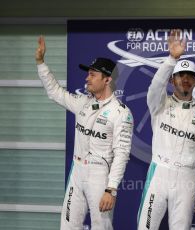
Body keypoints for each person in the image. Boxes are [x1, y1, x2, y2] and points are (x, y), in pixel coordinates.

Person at [35, 36, 134, 230]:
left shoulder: (121, 113)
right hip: (77, 171)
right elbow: (55, 92)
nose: (86, 78)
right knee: (68, 227)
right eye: (88, 74)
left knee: (101, 227)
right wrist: (40, 63)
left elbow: (122, 154)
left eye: (92, 75)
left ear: (107, 79)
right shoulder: (83, 102)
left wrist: (111, 189)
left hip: (100, 175)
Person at [137, 29, 195, 230]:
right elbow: (155, 86)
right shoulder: (159, 104)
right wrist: (172, 59)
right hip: (159, 174)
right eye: (180, 75)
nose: (185, 79)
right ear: (172, 80)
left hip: (187, 181)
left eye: (190, 76)